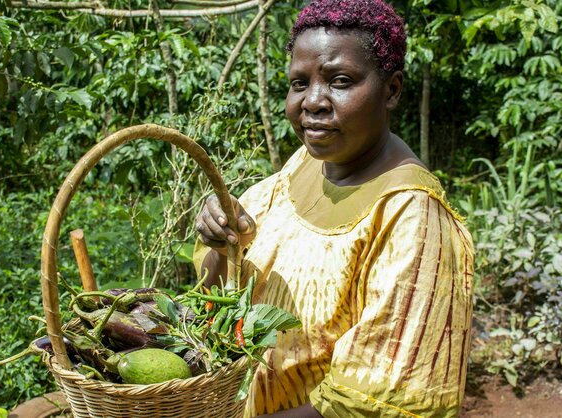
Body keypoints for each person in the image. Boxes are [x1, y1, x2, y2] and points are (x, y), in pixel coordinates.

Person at [194, 0, 475, 416]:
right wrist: (221, 236)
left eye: (340, 80)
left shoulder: (411, 217)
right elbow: (220, 296)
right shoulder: (306, 165)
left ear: (392, 90)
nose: (313, 101)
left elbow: (380, 402)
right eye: (298, 83)